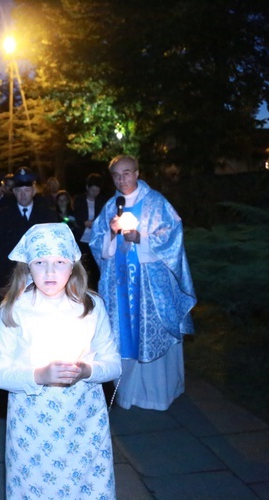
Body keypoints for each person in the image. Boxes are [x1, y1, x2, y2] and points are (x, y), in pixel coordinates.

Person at [0, 223, 121, 499]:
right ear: (27, 267)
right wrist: (39, 375)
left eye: (59, 262)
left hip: (84, 424)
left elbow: (114, 364)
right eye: (40, 262)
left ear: (72, 266)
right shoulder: (14, 310)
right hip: (33, 427)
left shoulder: (91, 306)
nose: (50, 272)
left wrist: (86, 370)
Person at [90, 154, 196, 411]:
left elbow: (172, 236)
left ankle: (158, 394)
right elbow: (97, 242)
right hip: (121, 285)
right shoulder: (110, 206)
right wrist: (112, 236)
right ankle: (127, 394)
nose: (121, 179)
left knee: (150, 333)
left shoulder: (156, 202)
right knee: (123, 334)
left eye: (126, 173)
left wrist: (141, 237)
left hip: (150, 286)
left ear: (137, 173)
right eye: (116, 175)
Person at [0, 167, 59, 297]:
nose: (23, 195)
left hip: (42, 277)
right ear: (14, 192)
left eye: (27, 190)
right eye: (19, 191)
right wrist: (0, 283)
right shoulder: (2, 216)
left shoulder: (47, 215)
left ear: (34, 191)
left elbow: (54, 248)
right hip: (12, 278)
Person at [73, 173, 106, 290]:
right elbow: (77, 217)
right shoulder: (79, 200)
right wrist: (85, 222)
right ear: (87, 188)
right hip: (82, 238)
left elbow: (103, 219)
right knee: (82, 267)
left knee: (95, 269)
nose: (94, 193)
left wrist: (93, 223)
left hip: (96, 239)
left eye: (97, 191)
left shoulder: (102, 201)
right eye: (92, 190)